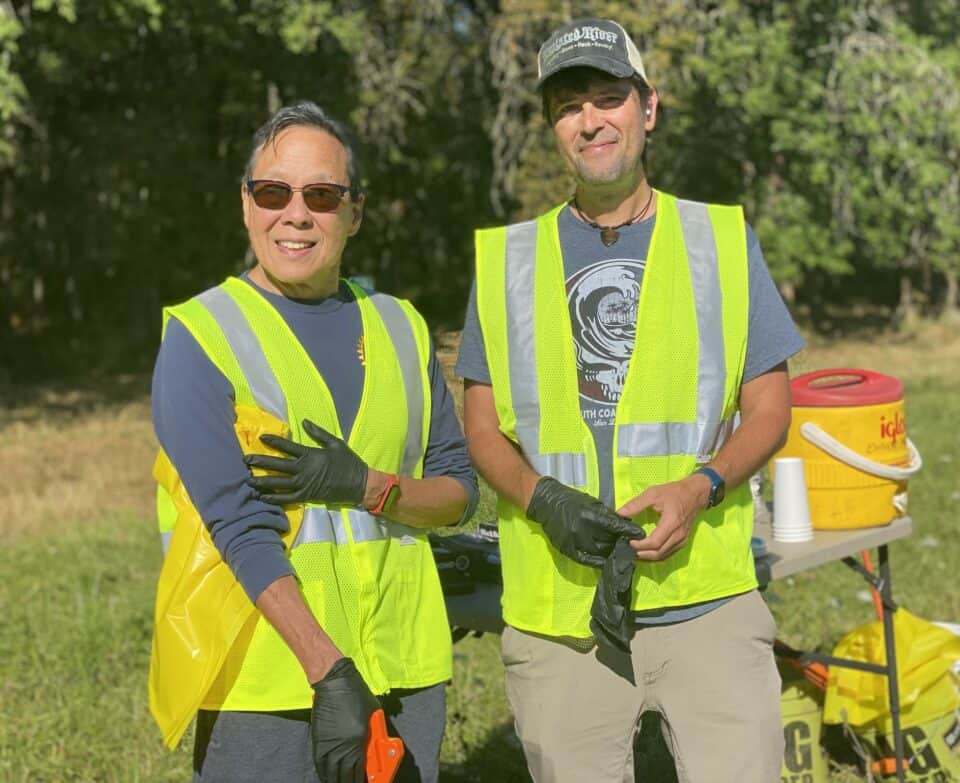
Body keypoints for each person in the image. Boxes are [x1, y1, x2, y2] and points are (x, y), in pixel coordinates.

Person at [456, 18, 804, 783]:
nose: (590, 120)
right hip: (562, 615)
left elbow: (771, 406)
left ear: (648, 108)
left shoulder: (720, 240)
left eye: (608, 97)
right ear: (554, 128)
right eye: (568, 105)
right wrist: (541, 497)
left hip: (706, 599)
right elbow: (482, 428)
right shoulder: (507, 260)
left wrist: (700, 485)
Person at [150, 100, 478, 783]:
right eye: (273, 191)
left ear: (355, 213)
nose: (295, 214)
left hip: (404, 669)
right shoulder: (202, 337)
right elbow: (238, 524)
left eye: (322, 195)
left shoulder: (400, 326)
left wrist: (366, 485)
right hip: (269, 684)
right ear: (246, 204)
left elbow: (457, 494)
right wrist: (327, 670)